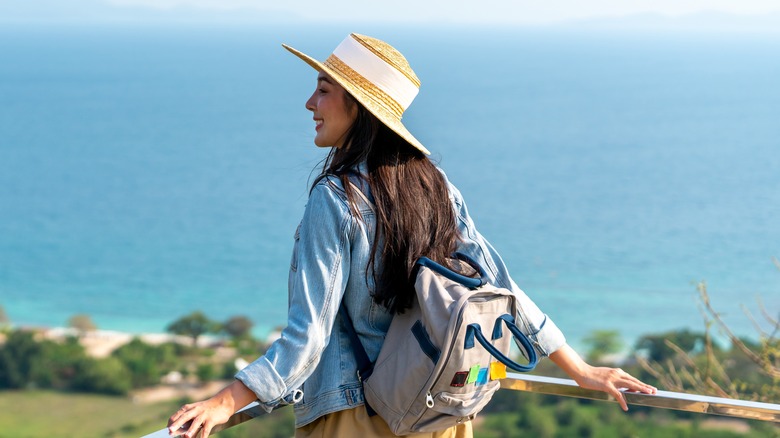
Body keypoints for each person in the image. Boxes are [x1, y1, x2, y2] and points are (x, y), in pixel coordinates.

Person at [167, 33, 656, 438]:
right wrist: (580, 369)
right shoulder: (435, 186)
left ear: (357, 106)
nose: (309, 103)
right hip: (440, 417)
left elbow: (309, 336)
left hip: (356, 418)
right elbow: (500, 291)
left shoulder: (336, 198)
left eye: (323, 90)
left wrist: (226, 400)